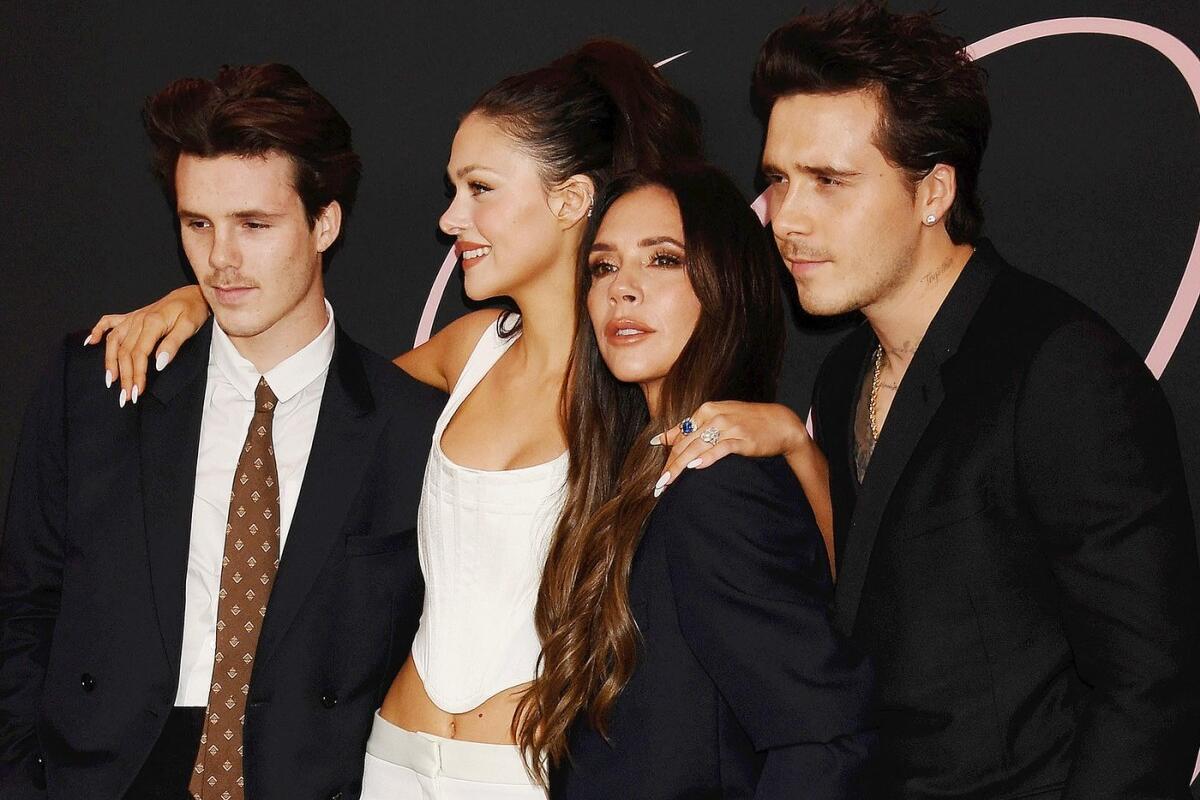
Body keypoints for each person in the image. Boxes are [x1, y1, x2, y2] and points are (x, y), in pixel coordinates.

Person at [81, 42, 835, 798]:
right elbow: (310, 389)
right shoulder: (468, 350)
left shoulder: (641, 377)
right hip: (390, 759)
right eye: (454, 189)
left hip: (528, 773)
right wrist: (202, 303)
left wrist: (795, 448)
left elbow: (801, 615)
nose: (451, 218)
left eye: (480, 189)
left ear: (569, 201)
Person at [656, 4, 1200, 798]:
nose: (787, 218)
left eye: (829, 181)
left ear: (933, 191)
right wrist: (798, 445)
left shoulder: (1060, 368)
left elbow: (1150, 688)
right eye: (777, 180)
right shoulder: (846, 373)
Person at [0, 64, 445, 800]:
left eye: (254, 225)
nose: (220, 260)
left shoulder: (409, 427)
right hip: (107, 775)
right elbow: (24, 606)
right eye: (197, 224)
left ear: (325, 223)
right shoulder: (100, 385)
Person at [517, 164, 876, 799]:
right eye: (603, 267)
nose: (622, 290)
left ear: (725, 285)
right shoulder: (640, 471)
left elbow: (822, 738)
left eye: (662, 260)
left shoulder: (717, 485)